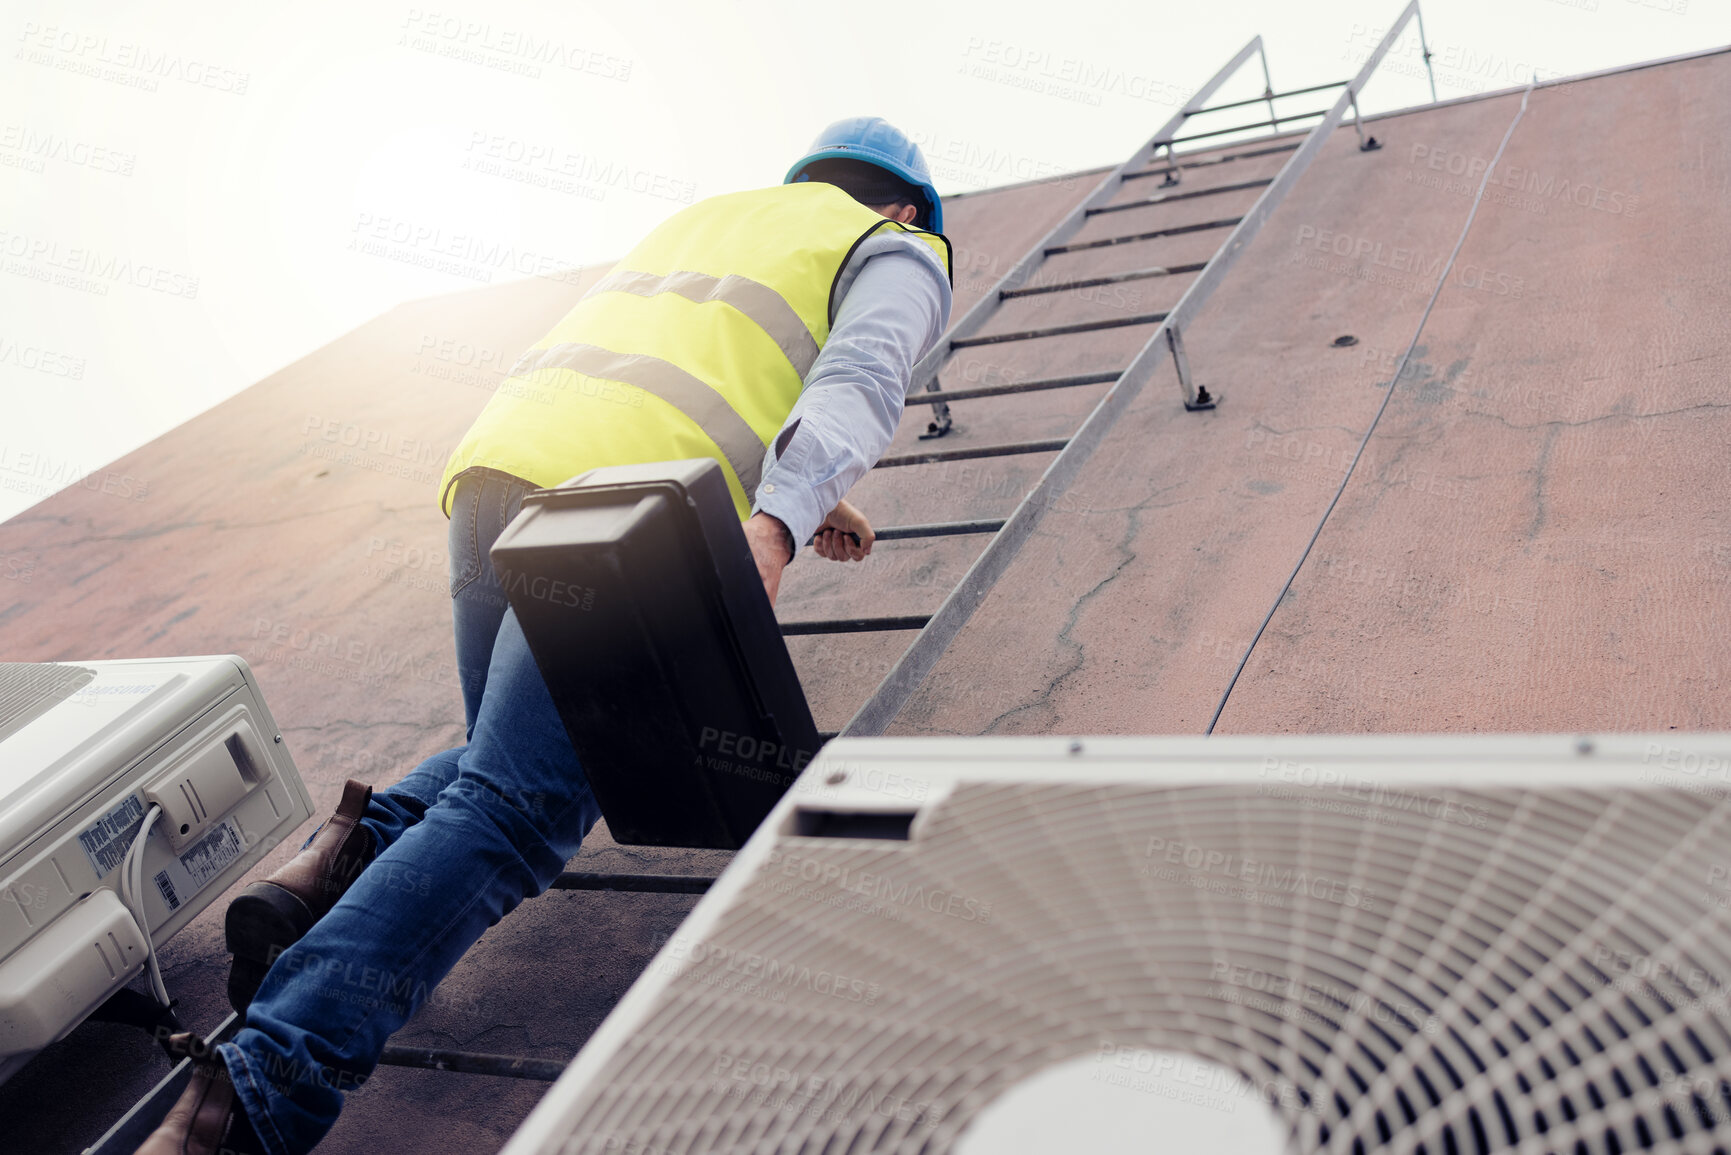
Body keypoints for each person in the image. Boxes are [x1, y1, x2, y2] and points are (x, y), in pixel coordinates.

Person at [136, 115, 952, 1155]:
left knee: (499, 761)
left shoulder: (712, 223)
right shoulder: (894, 247)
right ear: (903, 203)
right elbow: (861, 380)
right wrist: (784, 516)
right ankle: (255, 1095)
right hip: (624, 504)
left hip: (501, 472)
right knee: (526, 808)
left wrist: (799, 494)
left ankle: (343, 853)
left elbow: (695, 372)